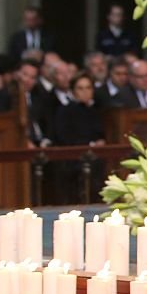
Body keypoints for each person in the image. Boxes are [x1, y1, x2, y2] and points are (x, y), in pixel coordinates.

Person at [53, 72, 106, 202]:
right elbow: (63, 137)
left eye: (88, 88)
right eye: (80, 88)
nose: (85, 92)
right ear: (73, 91)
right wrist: (90, 145)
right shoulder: (65, 111)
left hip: (96, 160)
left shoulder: (96, 111)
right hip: (73, 162)